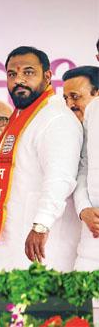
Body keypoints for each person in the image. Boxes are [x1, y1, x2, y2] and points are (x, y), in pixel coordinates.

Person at [0, 46, 82, 272]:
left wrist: (41, 225)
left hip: (39, 242)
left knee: (36, 305)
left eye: (29, 72)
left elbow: (60, 178)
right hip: (10, 239)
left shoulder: (57, 118)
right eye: (12, 74)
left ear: (48, 76)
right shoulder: (22, 117)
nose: (19, 80)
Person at [73, 41, 99, 271]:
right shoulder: (94, 109)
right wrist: (83, 209)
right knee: (82, 306)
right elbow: (83, 166)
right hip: (92, 244)